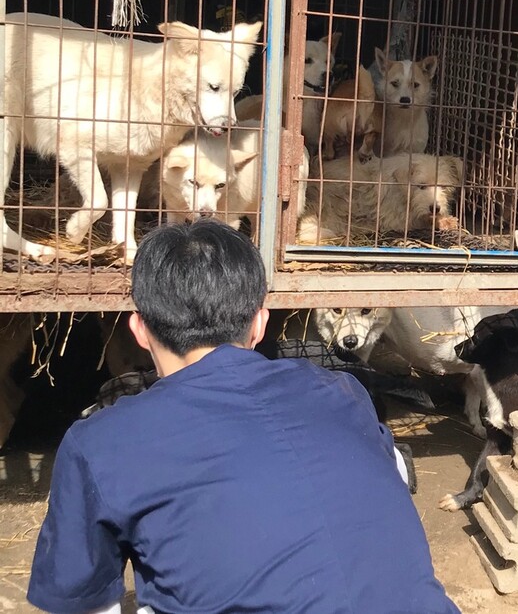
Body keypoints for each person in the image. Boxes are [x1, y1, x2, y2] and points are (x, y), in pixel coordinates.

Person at [27, 219, 459, 614]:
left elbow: (81, 604)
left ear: (138, 329)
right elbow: (394, 475)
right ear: (260, 324)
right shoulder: (342, 391)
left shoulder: (99, 442)